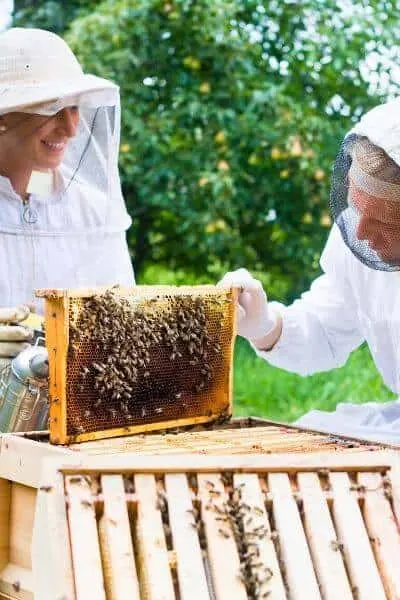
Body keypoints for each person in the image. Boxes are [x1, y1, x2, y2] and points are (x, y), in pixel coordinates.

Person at [219, 97, 400, 444]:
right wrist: (265, 326)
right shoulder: (356, 242)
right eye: (356, 210)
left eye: (382, 220)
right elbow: (324, 331)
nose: (360, 233)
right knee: (306, 434)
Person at [0, 27, 135, 363]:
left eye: (75, 108)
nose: (72, 128)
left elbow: (125, 327)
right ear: (3, 116)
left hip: (77, 411)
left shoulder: (90, 210)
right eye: (52, 108)